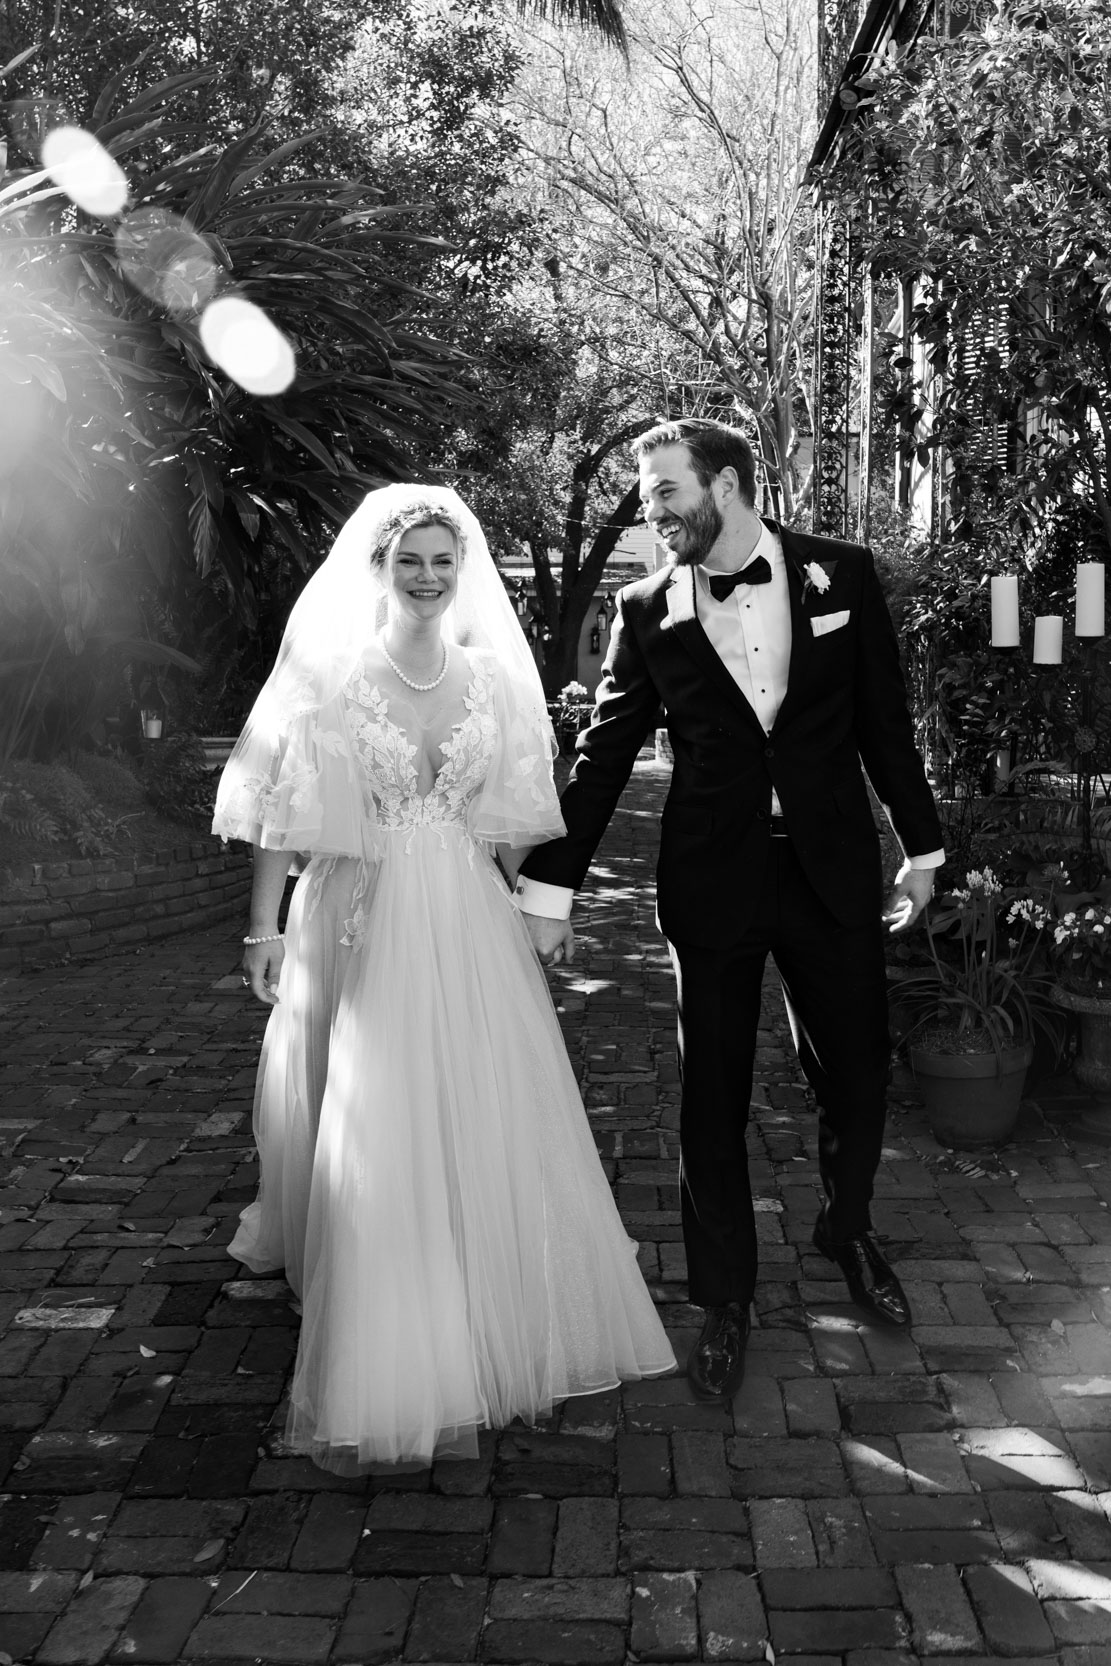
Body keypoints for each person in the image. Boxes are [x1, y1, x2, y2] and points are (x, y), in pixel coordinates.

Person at [212, 483, 675, 1473]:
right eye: (409, 560)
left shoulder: (491, 681)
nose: (426, 577)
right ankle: (371, 1292)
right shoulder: (330, 678)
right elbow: (283, 816)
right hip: (356, 902)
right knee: (365, 1101)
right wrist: (263, 928)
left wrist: (537, 911)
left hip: (463, 907)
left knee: (481, 1095)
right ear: (375, 569)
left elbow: (506, 819)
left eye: (441, 561)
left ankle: (480, 1275)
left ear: (461, 574)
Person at [516, 418, 944, 1403]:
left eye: (664, 490)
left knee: (857, 1073)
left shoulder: (843, 576)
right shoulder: (643, 607)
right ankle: (725, 1294)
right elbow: (605, 757)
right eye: (645, 493)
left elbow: (884, 727)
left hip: (829, 872)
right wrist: (550, 885)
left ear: (729, 483)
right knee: (711, 1090)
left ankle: (847, 1224)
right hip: (712, 876)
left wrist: (922, 849)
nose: (650, 510)